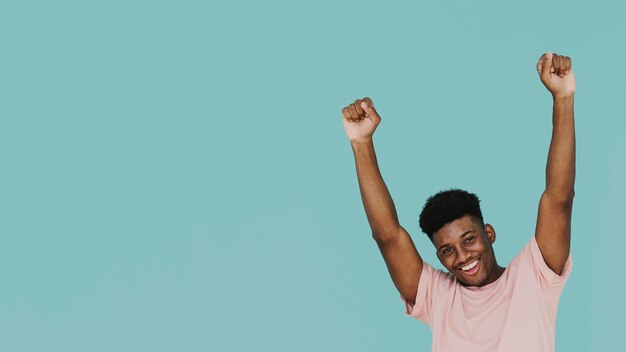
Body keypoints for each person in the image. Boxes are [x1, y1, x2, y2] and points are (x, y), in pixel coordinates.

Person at [340, 52, 575, 352]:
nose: (463, 257)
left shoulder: (534, 278)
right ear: (439, 258)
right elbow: (387, 236)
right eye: (447, 250)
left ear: (489, 233)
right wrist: (361, 144)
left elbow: (559, 199)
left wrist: (563, 98)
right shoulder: (439, 296)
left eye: (469, 239)